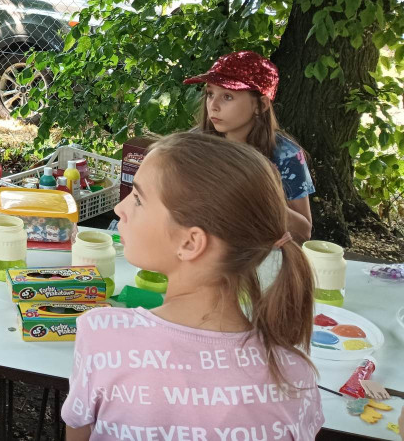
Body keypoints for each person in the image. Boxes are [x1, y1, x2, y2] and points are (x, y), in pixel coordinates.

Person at [62, 132, 322, 439]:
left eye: (138, 199)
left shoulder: (103, 336)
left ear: (190, 242)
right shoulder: (296, 375)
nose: (120, 209)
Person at [184, 50, 313, 242]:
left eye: (227, 96)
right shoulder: (194, 145)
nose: (213, 105)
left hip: (261, 257)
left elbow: (304, 232)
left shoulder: (286, 156)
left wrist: (261, 197)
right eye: (210, 94)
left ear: (261, 105)